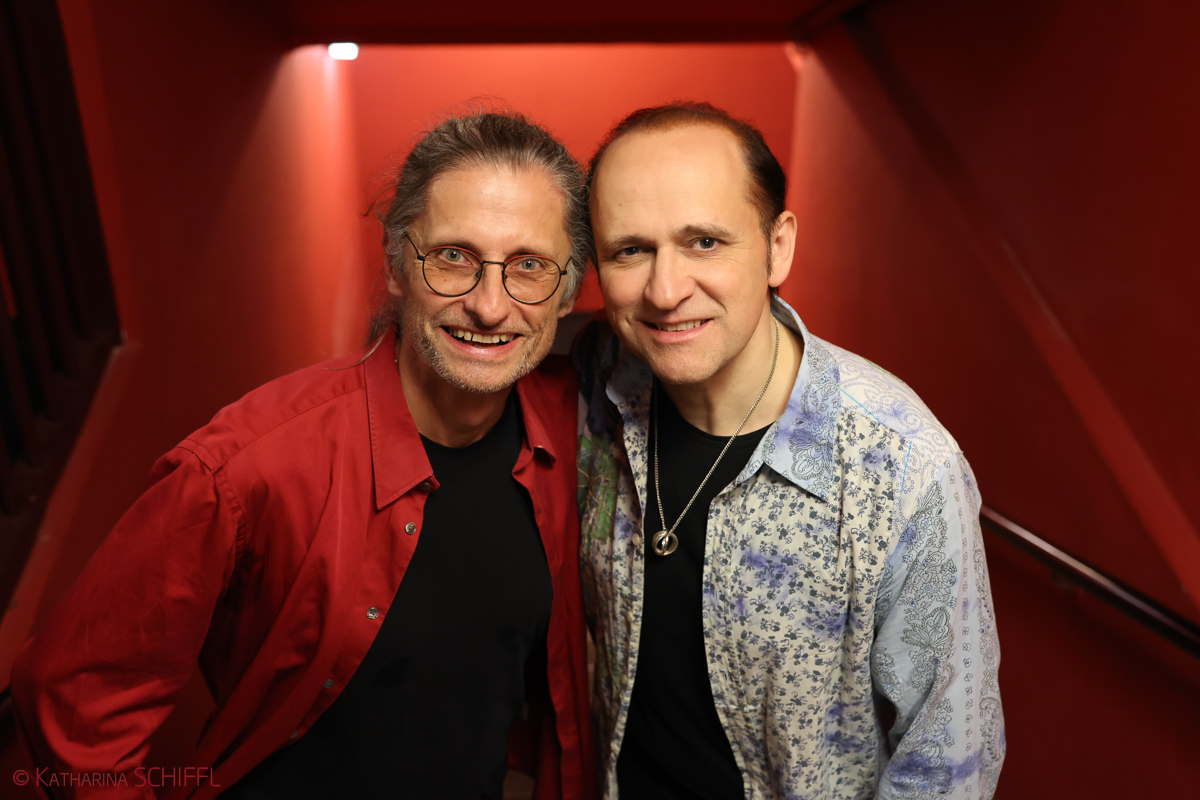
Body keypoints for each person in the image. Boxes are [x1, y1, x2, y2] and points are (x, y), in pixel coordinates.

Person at [11, 111, 595, 800]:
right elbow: (73, 694)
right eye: (453, 257)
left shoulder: (570, 425)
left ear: (566, 292)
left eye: (530, 266)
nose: (490, 306)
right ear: (396, 264)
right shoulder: (248, 466)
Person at [575, 102, 1004, 800]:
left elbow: (947, 765)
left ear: (778, 247)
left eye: (704, 242)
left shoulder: (903, 466)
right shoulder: (598, 379)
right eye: (630, 251)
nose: (665, 290)